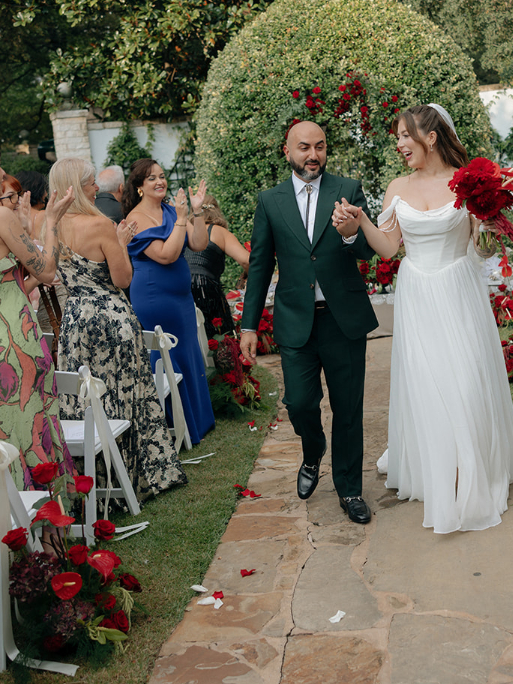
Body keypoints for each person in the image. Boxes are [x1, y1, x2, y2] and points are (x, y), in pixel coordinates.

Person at [332, 104, 513, 534]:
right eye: (398, 137)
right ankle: (441, 469)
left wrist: (490, 229)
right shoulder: (397, 187)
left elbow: (482, 249)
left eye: (406, 135)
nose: (400, 144)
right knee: (427, 382)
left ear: (431, 136)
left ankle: (470, 469)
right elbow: (388, 248)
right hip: (417, 292)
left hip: (459, 290)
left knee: (466, 380)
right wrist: (360, 221)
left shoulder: (467, 182)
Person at [239, 121, 377, 524]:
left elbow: (367, 249)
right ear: (288, 151)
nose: (313, 155)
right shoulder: (270, 200)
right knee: (300, 403)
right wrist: (249, 325)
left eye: (320, 146)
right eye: (304, 147)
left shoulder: (348, 189)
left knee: (348, 409)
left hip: (342, 319)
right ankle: (313, 449)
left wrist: (350, 234)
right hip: (295, 321)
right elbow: (260, 264)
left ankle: (349, 490)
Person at [43, 159, 187, 502]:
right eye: (91, 182)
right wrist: (120, 242)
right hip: (110, 318)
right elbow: (123, 279)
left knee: (86, 398)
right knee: (126, 392)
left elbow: (49, 273)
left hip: (75, 323)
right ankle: (136, 477)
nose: (97, 188)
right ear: (78, 187)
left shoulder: (49, 225)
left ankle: (96, 483)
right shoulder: (100, 224)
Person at [123, 160, 215, 445]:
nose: (159, 181)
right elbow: (166, 255)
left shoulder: (170, 211)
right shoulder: (135, 219)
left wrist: (196, 212)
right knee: (167, 355)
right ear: (140, 187)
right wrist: (181, 219)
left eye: (162, 176)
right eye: (151, 178)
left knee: (187, 352)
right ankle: (175, 425)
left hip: (181, 298)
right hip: (155, 297)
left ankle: (198, 421)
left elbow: (198, 244)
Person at [0, 180, 76, 490]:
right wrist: (52, 222)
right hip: (12, 337)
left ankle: (12, 512)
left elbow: (12, 284)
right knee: (30, 422)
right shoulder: (2, 217)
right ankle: (45, 510)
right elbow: (46, 272)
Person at [186, 195, 250, 338]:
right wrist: (247, 275)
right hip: (206, 287)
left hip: (182, 286)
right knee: (220, 335)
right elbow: (247, 261)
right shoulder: (219, 232)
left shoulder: (186, 231)